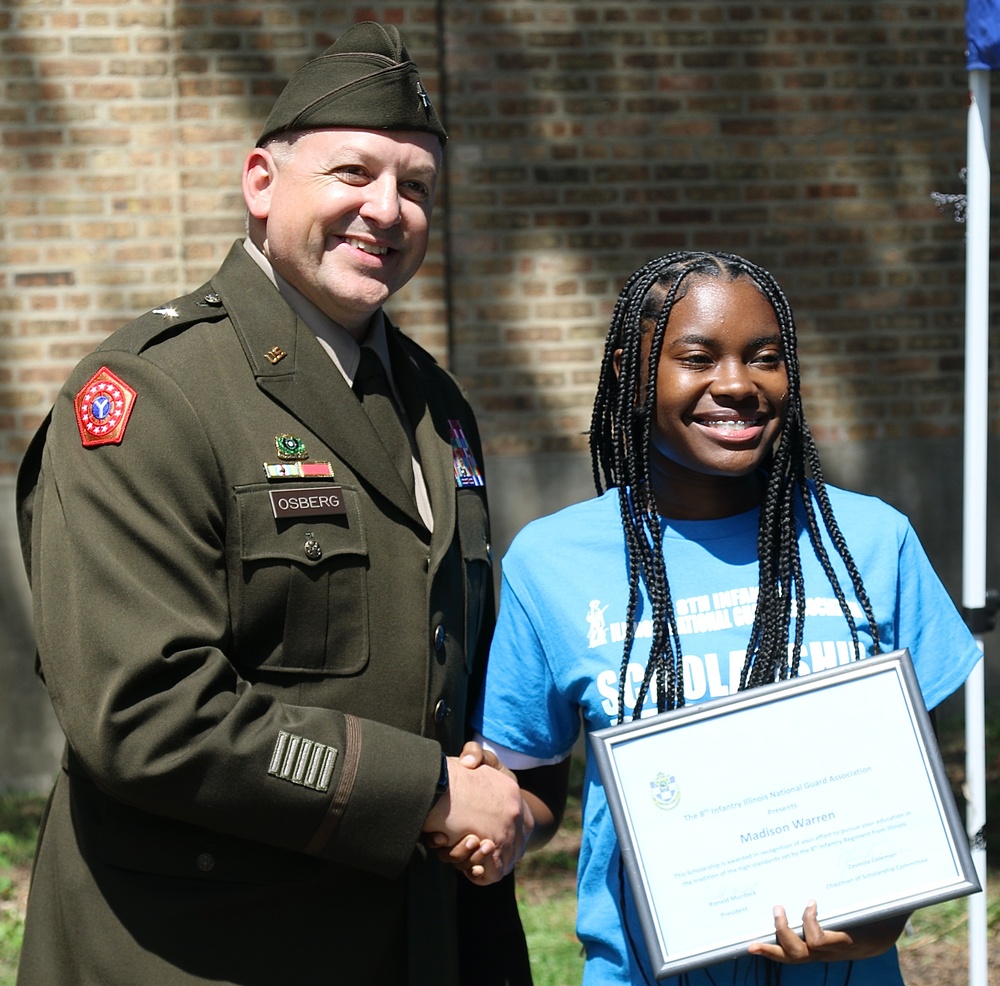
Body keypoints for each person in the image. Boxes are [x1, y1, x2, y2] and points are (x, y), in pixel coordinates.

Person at [15, 21, 533, 986]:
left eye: (416, 187)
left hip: (409, 942)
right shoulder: (152, 398)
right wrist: (425, 791)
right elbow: (146, 712)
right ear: (262, 182)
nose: (387, 209)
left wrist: (495, 789)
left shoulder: (436, 402)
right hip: (208, 947)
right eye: (353, 174)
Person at [458, 251, 982, 985]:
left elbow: (927, 785)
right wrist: (497, 826)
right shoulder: (551, 563)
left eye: (764, 358)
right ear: (628, 374)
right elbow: (533, 788)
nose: (736, 384)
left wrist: (884, 915)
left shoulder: (870, 543)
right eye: (697, 357)